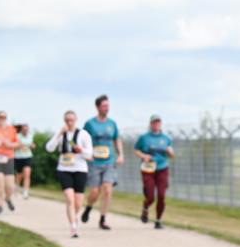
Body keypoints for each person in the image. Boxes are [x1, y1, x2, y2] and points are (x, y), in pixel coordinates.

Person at [45, 111, 93, 238]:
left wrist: (81, 150)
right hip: (64, 169)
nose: (69, 122)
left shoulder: (84, 134)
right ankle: (73, 227)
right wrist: (59, 134)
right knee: (69, 199)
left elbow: (89, 154)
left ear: (76, 120)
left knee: (78, 202)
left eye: (71, 120)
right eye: (67, 120)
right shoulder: (61, 134)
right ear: (64, 120)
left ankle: (74, 217)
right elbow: (49, 148)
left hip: (80, 169)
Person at [81, 95, 123, 231]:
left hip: (109, 161)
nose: (107, 108)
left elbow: (116, 139)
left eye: (108, 106)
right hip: (94, 162)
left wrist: (121, 154)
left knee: (107, 190)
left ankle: (103, 219)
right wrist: (86, 154)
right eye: (104, 106)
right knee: (94, 191)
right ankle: (88, 208)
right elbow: (82, 139)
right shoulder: (90, 124)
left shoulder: (112, 123)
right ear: (97, 107)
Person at [133, 114, 173, 229]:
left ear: (161, 123)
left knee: (161, 195)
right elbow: (136, 150)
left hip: (162, 168)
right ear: (151, 124)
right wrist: (143, 156)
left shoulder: (166, 138)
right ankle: (145, 207)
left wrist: (170, 152)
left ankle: (158, 220)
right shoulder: (144, 138)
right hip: (148, 168)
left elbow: (171, 155)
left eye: (158, 122)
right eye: (154, 122)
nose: (156, 124)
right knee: (150, 196)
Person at [13, 124, 35, 199]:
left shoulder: (30, 136)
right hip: (18, 157)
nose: (26, 131)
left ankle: (25, 192)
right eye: (24, 129)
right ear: (21, 130)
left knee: (27, 174)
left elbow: (32, 145)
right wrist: (19, 146)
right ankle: (16, 187)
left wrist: (32, 146)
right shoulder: (17, 136)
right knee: (19, 175)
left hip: (28, 157)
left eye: (27, 129)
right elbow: (14, 146)